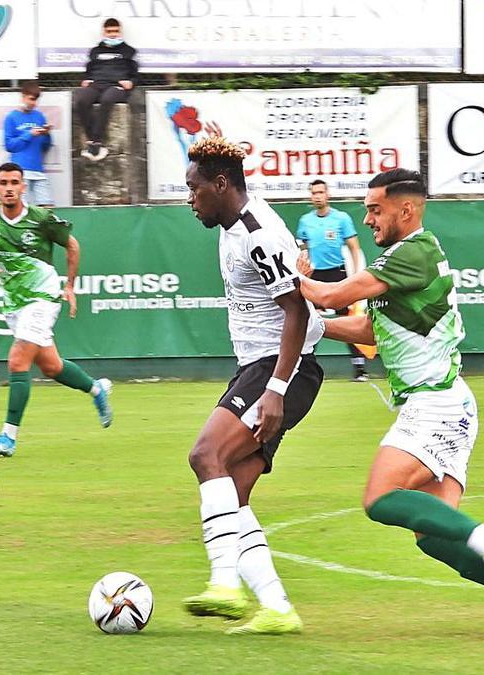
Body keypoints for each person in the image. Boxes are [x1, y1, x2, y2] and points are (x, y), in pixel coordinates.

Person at [295, 168, 484, 636]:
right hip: (451, 405)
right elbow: (367, 330)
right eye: (366, 209)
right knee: (433, 538)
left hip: (434, 405)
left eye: (376, 210)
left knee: (379, 499)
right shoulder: (408, 258)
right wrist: (316, 325)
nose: (368, 218)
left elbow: (333, 293)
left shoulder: (412, 251)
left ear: (407, 209)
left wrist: (283, 280)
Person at [179, 137, 325, 636]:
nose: (190, 199)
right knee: (233, 494)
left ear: (221, 186)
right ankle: (278, 608)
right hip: (262, 370)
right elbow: (228, 164)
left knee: (205, 455)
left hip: (279, 370)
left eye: (194, 189)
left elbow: (297, 311)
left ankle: (225, 583)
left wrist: (277, 388)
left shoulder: (257, 233)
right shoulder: (235, 218)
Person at [0, 163, 113, 457]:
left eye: (14, 182)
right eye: (3, 183)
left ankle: (8, 436)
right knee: (51, 366)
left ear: (23, 187)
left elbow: (73, 246)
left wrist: (69, 286)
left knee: (18, 360)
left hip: (42, 297)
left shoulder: (41, 218)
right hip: (14, 302)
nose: (9, 188)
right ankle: (96, 389)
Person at [297, 179, 369, 381]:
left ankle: (360, 368)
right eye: (314, 193)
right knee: (309, 320)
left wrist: (355, 276)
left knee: (350, 321)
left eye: (321, 192)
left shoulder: (341, 218)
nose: (317, 196)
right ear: (311, 197)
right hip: (315, 276)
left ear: (327, 195)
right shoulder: (305, 222)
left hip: (338, 275)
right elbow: (303, 251)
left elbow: (354, 248)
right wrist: (303, 275)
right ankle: (303, 365)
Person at [73, 17, 138, 162]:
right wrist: (87, 79)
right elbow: (89, 70)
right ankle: (94, 142)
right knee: (81, 99)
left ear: (120, 31)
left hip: (117, 86)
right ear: (104, 32)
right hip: (97, 84)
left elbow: (135, 74)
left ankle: (95, 141)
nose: (112, 34)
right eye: (109, 31)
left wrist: (130, 82)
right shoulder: (95, 51)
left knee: (107, 99)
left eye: (115, 31)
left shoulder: (128, 51)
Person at [3, 80, 54, 207]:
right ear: (23, 96)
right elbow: (9, 145)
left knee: (47, 210)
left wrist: (46, 134)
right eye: (31, 99)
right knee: (21, 209)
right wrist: (29, 134)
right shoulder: (11, 117)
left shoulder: (39, 116)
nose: (34, 104)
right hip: (19, 171)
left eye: (36, 100)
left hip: (38, 170)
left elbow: (45, 146)